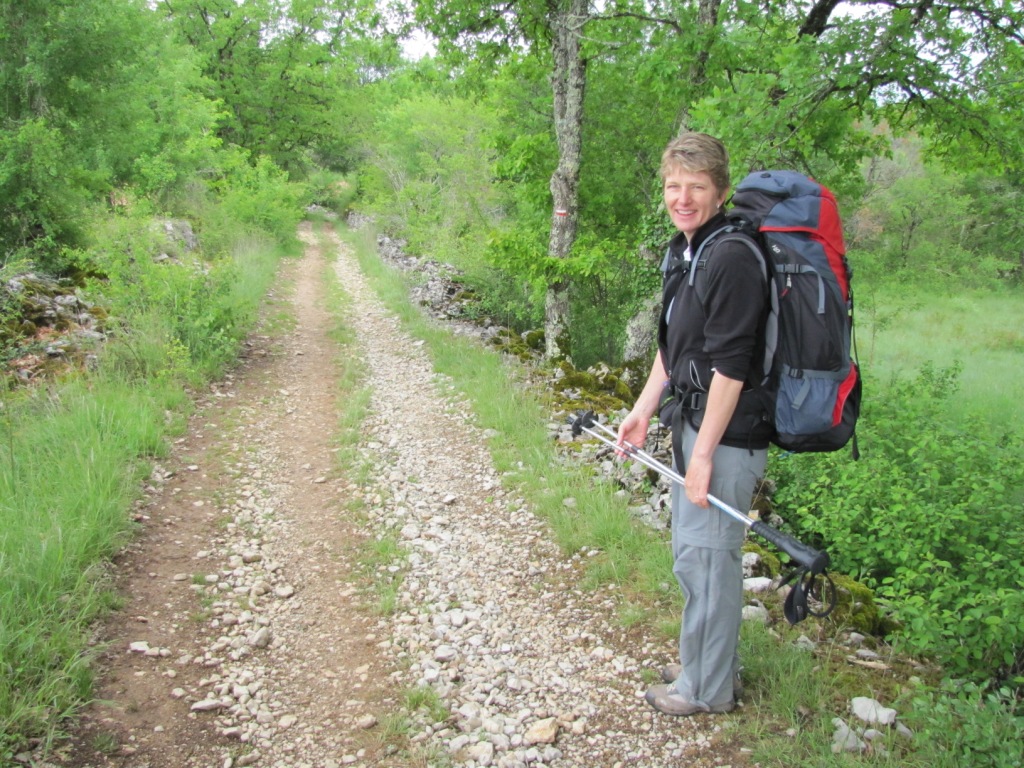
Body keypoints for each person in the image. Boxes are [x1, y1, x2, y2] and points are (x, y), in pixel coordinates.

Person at [617, 132, 772, 716]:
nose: (682, 198)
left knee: (707, 557)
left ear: (721, 191)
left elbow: (731, 365)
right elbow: (674, 348)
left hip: (725, 435)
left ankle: (705, 691)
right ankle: (705, 662)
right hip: (697, 424)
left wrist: (704, 454)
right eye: (673, 186)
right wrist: (642, 409)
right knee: (694, 554)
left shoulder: (730, 257)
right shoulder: (690, 248)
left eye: (697, 187)